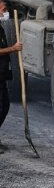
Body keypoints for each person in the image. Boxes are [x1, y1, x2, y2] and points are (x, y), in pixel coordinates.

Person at [0, 13, 22, 153]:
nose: (5, 12)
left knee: (5, 106)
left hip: (1, 75)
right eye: (2, 9)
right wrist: (13, 49)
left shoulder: (0, 28)